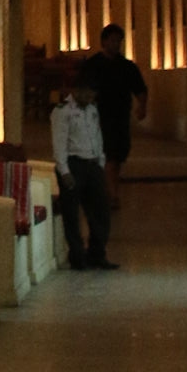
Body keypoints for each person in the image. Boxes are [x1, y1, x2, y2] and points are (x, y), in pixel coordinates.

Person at [50, 72, 115, 270]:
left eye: (93, 95)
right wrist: (64, 171)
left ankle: (97, 254)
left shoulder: (92, 109)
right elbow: (59, 143)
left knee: (100, 211)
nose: (90, 98)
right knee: (72, 214)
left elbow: (97, 136)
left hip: (92, 164)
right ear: (76, 91)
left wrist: (100, 162)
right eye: (87, 94)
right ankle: (77, 257)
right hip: (74, 164)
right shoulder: (63, 112)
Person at [80, 22, 147, 208]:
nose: (116, 44)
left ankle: (109, 191)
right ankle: (111, 194)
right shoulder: (93, 65)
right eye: (112, 40)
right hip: (99, 116)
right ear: (104, 42)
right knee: (108, 155)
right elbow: (83, 90)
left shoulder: (126, 66)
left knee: (117, 156)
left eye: (118, 41)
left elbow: (140, 88)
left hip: (120, 116)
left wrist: (142, 106)